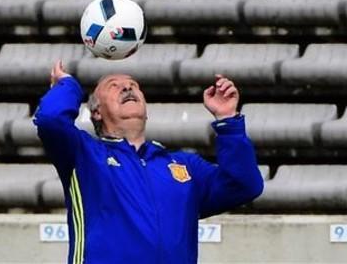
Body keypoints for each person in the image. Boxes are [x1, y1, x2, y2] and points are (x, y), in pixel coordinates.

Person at [35, 60, 263, 264]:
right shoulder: (83, 155)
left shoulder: (184, 165)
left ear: (147, 111)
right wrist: (68, 85)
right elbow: (51, 119)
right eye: (113, 86)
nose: (127, 88)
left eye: (134, 85)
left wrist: (228, 121)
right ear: (96, 112)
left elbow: (244, 185)